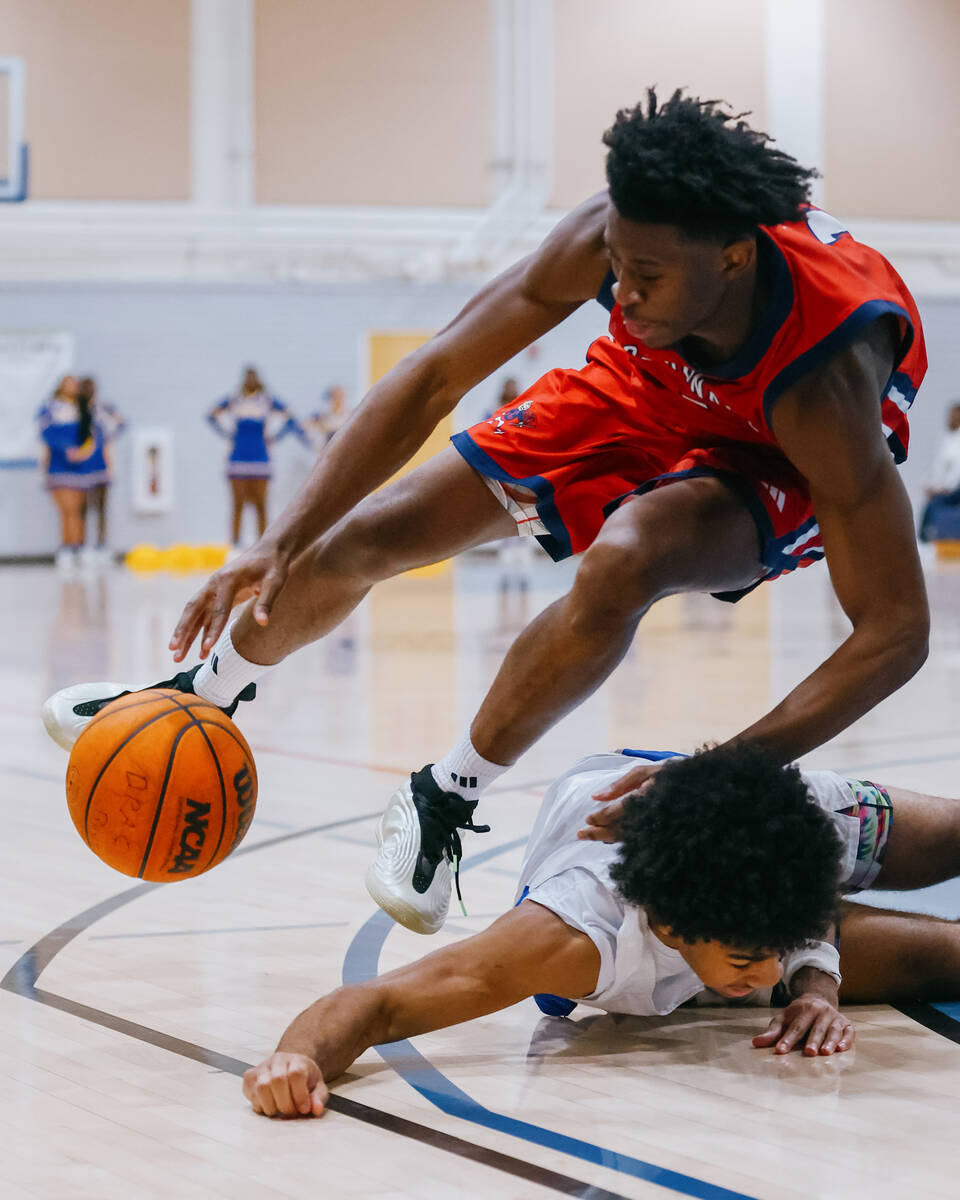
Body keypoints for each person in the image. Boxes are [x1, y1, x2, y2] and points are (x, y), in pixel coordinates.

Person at [43, 91, 929, 936]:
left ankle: (448, 793)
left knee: (628, 557)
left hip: (776, 450)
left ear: (735, 255)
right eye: (616, 264)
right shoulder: (615, 239)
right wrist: (279, 540)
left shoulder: (827, 385)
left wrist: (718, 775)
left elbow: (894, 632)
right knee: (367, 535)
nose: (619, 292)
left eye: (646, 276)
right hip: (648, 383)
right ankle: (202, 692)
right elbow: (435, 373)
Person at [239, 743, 960, 1118]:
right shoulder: (571, 935)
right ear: (673, 926)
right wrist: (294, 1059)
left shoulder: (796, 833)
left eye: (778, 950)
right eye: (749, 958)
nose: (771, 975)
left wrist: (819, 982)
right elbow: (377, 1003)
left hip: (767, 810)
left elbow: (803, 913)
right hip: (647, 854)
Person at [207, 366, 309, 550]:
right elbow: (210, 415)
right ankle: (235, 544)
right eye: (247, 377)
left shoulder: (267, 400)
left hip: (260, 458)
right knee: (237, 503)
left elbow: (291, 417)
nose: (250, 380)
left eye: (253, 377)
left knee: (261, 504)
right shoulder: (234, 400)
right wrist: (227, 433)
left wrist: (275, 437)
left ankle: (262, 546)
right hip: (238, 458)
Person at [37, 375, 109, 571]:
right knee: (67, 510)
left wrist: (84, 453)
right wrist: (65, 450)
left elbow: (95, 434)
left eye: (75, 383)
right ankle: (67, 548)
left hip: (81, 468)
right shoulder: (52, 408)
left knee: (79, 512)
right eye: (68, 382)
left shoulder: (86, 409)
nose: (73, 386)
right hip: (60, 467)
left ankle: (80, 547)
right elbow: (46, 433)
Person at [77, 375, 126, 565]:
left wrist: (107, 437)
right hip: (82, 466)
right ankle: (83, 545)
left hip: (101, 464)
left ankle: (101, 544)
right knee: (83, 508)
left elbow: (121, 422)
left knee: (102, 507)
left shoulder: (102, 408)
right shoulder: (76, 411)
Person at [918, 401, 960, 542]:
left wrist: (945, 488)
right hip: (938, 487)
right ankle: (924, 540)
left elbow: (956, 470)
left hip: (953, 488)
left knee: (933, 506)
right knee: (929, 504)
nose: (953, 418)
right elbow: (936, 465)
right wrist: (929, 484)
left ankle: (926, 539)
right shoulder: (943, 436)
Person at [305, 384, 349, 450]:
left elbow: (338, 427)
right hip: (325, 450)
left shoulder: (349, 413)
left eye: (340, 396)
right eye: (335, 396)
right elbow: (307, 426)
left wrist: (324, 426)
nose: (338, 400)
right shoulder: (322, 413)